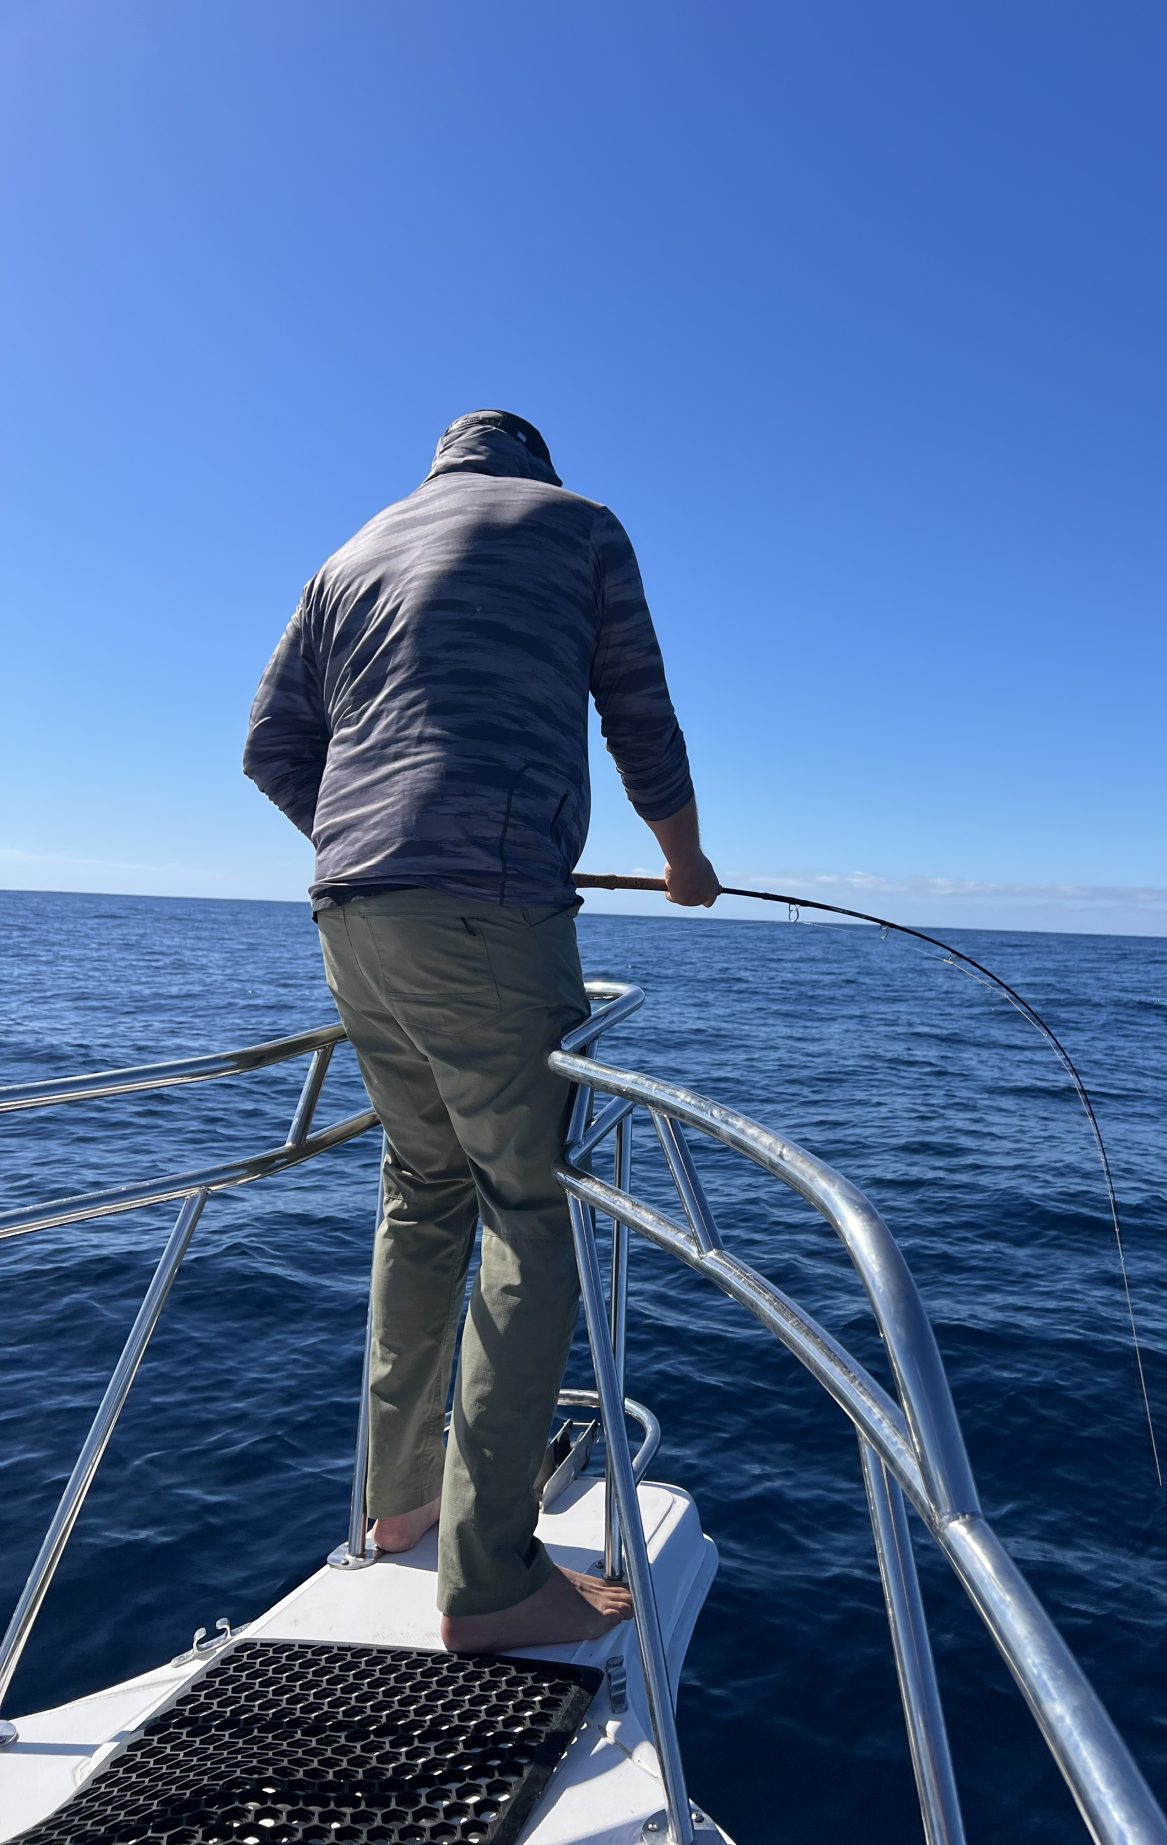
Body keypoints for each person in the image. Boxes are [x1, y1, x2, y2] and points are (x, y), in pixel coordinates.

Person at [243, 408, 718, 1651]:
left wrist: (370, 839)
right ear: (535, 466)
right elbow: (638, 714)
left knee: (421, 1195)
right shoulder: (577, 525)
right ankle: (493, 1580)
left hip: (350, 912)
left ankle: (399, 1502)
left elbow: (270, 746)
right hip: (489, 915)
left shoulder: (348, 554)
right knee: (530, 1208)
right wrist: (684, 862)